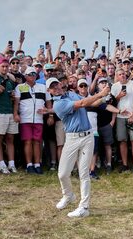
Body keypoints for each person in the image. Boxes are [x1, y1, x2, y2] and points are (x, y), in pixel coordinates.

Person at [47, 77, 111, 218]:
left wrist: (104, 96)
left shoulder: (71, 94)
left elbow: (90, 103)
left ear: (60, 84)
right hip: (72, 138)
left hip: (87, 136)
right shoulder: (58, 104)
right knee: (62, 173)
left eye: (56, 84)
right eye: (52, 87)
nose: (56, 88)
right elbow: (82, 103)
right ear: (49, 91)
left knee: (84, 173)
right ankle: (68, 195)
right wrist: (101, 93)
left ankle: (84, 207)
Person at [14, 66, 52, 174]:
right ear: (25, 76)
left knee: (37, 141)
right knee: (28, 141)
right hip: (25, 119)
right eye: (30, 74)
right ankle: (29, 165)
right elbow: (16, 102)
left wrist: (50, 115)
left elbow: (48, 101)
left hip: (39, 119)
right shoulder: (20, 87)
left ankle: (37, 164)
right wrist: (15, 114)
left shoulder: (43, 87)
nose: (32, 76)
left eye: (34, 74)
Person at [0, 57, 19, 174]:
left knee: (10, 139)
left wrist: (12, 96)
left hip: (10, 112)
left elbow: (12, 97)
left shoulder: (10, 80)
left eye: (7, 66)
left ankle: (11, 164)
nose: (5, 68)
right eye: (3, 66)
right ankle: (2, 164)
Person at [111, 69, 133, 174]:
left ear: (126, 74)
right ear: (117, 76)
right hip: (120, 117)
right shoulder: (115, 86)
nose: (122, 76)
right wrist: (119, 96)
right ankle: (125, 164)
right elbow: (112, 103)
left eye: (123, 74)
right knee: (122, 141)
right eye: (120, 74)